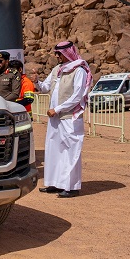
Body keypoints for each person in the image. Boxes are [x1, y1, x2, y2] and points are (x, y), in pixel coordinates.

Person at [35, 41, 92, 198]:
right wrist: (36, 82)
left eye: (59, 53)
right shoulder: (56, 70)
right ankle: (55, 183)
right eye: (56, 53)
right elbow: (45, 87)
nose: (56, 56)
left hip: (69, 118)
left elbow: (77, 96)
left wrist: (57, 109)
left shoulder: (79, 70)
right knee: (54, 149)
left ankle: (71, 186)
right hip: (55, 118)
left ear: (67, 53)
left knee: (70, 150)